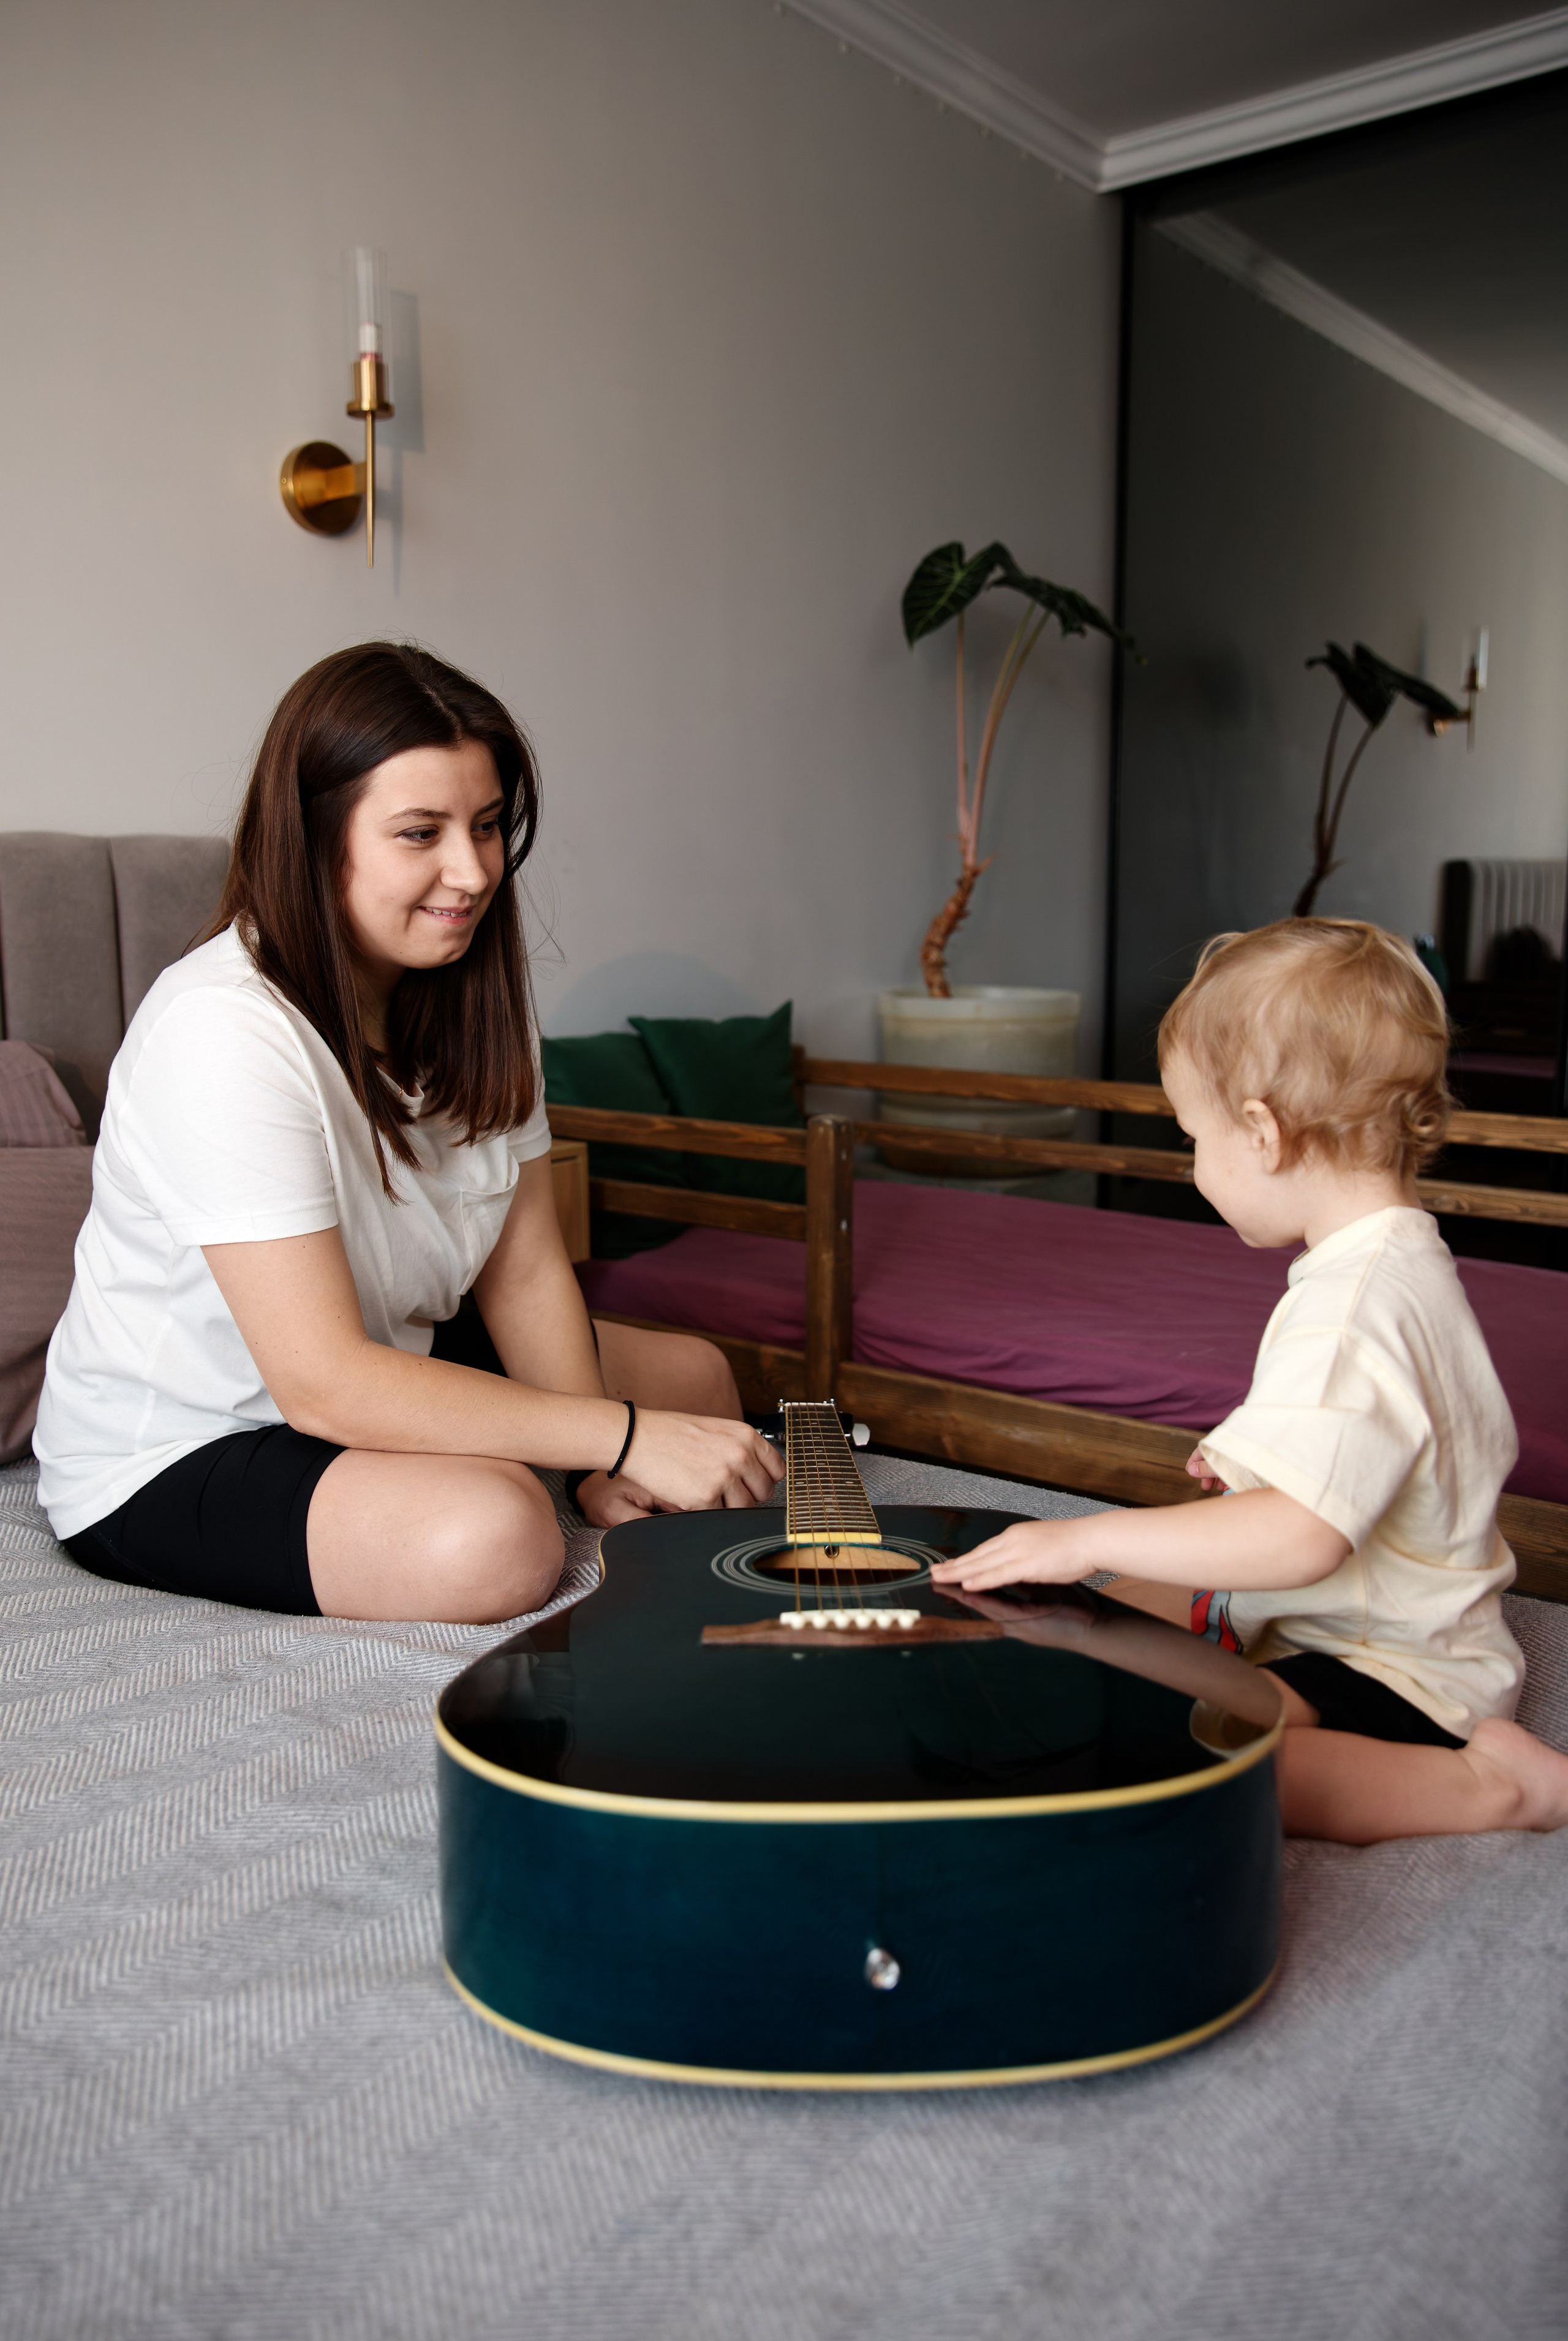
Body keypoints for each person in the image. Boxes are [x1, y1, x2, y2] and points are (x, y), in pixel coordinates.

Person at [35, 643, 781, 1623]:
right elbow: (324, 1384)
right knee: (497, 1535)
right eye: (420, 833)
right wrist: (619, 1438)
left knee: (697, 1378)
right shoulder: (221, 1030)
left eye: (485, 826)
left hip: (391, 1360)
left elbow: (521, 1272)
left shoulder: (468, 1000)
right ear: (316, 838)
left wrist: (604, 1464)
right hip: (191, 1439)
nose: (470, 873)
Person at [935, 918, 1568, 1843]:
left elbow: (1305, 1538)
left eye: (1195, 1136)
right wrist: (1255, 1465)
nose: (1195, 1167)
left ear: (1264, 1133)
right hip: (1336, 1626)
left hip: (1397, 1675)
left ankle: (1500, 1788)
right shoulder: (1390, 1265)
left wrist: (1085, 1539)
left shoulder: (1353, 1309)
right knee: (1108, 1635)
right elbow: (1367, 1437)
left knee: (1203, 1773)